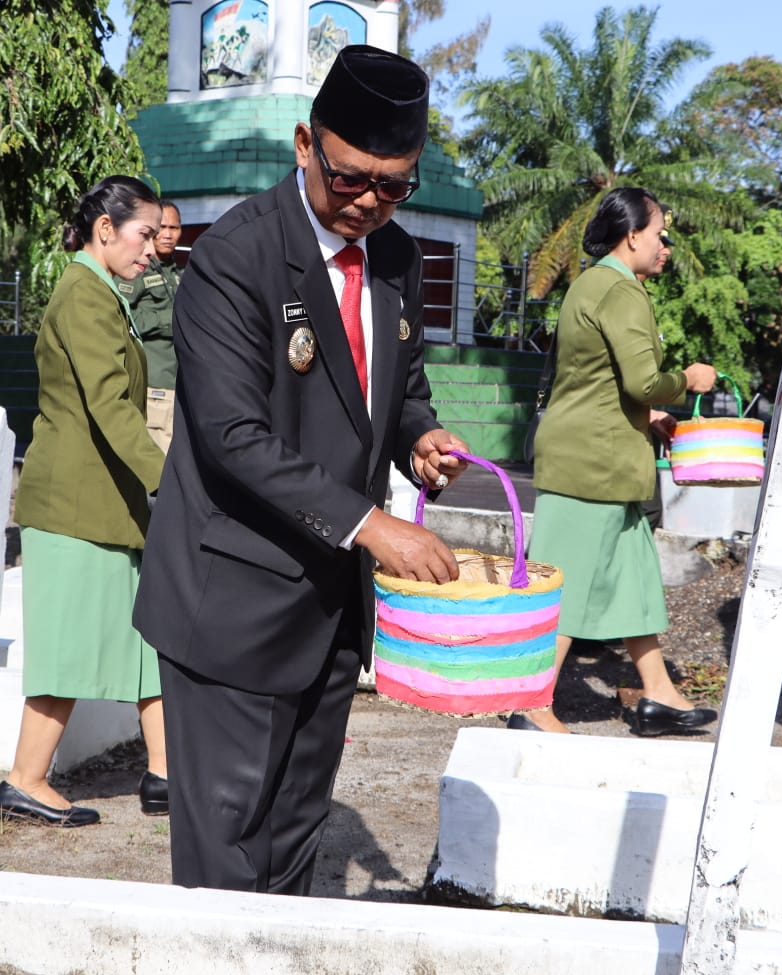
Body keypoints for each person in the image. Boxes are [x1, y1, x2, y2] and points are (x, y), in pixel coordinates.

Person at [133, 44, 468, 894]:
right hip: (234, 600)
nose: (369, 202)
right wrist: (371, 524)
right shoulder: (234, 257)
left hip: (330, 609)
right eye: (352, 177)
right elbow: (231, 435)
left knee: (294, 835)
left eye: (395, 185)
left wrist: (419, 439)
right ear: (303, 144)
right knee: (228, 846)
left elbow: (400, 393)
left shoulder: (397, 260)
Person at [0, 177, 169, 828]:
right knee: (66, 648)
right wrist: (167, 479)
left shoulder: (101, 293)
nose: (153, 249)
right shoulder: (84, 296)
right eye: (144, 234)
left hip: (105, 501)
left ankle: (166, 773)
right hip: (74, 502)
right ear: (105, 230)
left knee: (150, 640)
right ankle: (25, 780)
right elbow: (110, 407)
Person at [518, 187, 719, 738]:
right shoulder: (622, 291)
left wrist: (647, 414)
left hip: (601, 459)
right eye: (661, 235)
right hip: (593, 466)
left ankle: (659, 694)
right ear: (632, 235)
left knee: (633, 581)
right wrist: (689, 381)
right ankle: (532, 706)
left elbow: (597, 379)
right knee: (565, 586)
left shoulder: (591, 284)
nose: (667, 247)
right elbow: (642, 379)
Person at [121, 199, 183, 451]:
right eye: (163, 227)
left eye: (175, 228)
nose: (168, 235)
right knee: (158, 470)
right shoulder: (137, 271)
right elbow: (123, 317)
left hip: (177, 384)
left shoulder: (177, 275)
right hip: (153, 384)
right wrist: (167, 321)